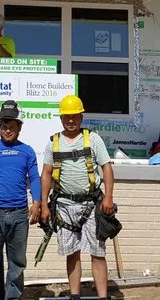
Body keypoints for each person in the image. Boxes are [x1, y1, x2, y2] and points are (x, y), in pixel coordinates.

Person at [39, 95, 115, 300]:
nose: (70, 120)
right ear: (61, 119)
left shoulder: (93, 139)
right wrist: (44, 206)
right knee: (72, 253)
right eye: (66, 117)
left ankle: (102, 297)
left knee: (98, 252)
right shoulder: (53, 143)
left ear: (81, 117)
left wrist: (108, 197)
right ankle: (74, 296)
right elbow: (46, 174)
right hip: (64, 205)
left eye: (74, 116)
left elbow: (106, 168)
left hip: (92, 204)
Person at [0, 100, 42, 300]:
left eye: (11, 126)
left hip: (19, 214)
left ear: (19, 128)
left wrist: (37, 203)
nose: (7, 130)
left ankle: (13, 297)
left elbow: (35, 178)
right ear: (0, 127)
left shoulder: (28, 151)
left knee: (17, 264)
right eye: (4, 126)